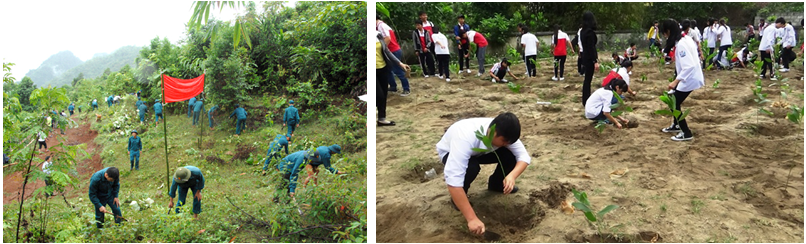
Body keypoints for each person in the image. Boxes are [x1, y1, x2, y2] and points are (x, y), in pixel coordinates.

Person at [437, 112, 531, 236]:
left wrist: (512, 175)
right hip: (450, 152)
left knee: (511, 156)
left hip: (480, 153)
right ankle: (458, 200)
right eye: (504, 141)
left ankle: (496, 184)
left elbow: (523, 157)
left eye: (509, 142)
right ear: (493, 131)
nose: (506, 144)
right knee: (471, 168)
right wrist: (472, 219)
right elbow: (453, 181)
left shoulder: (504, 132)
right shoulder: (465, 137)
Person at [659, 19, 705, 141]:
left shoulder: (681, 44)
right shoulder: (685, 39)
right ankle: (676, 124)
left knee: (674, 103)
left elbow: (688, 66)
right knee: (673, 99)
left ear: (668, 31)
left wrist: (675, 81)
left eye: (664, 33)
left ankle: (686, 132)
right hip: (689, 77)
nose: (664, 36)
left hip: (690, 78)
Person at [377, 31, 411, 127]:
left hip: (383, 68)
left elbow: (386, 51)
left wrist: (400, 63)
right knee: (378, 95)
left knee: (383, 94)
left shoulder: (378, 35)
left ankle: (381, 118)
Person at [377, 14, 411, 96]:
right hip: (393, 50)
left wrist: (382, 49)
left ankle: (406, 89)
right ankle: (393, 86)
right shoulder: (382, 25)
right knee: (388, 71)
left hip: (393, 51)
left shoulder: (381, 26)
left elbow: (387, 38)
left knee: (398, 70)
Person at [580, 11, 600, 106]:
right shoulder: (590, 32)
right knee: (588, 80)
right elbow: (591, 47)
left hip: (584, 57)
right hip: (589, 58)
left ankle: (585, 99)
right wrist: (595, 61)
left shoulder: (582, 31)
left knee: (586, 80)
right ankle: (586, 100)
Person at [419, 11, 439, 76]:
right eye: (423, 15)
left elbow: (434, 31)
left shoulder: (430, 23)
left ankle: (439, 69)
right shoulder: (420, 24)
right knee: (429, 58)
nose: (425, 17)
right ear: (420, 17)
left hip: (432, 41)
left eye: (425, 15)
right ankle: (431, 71)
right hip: (426, 43)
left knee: (436, 55)